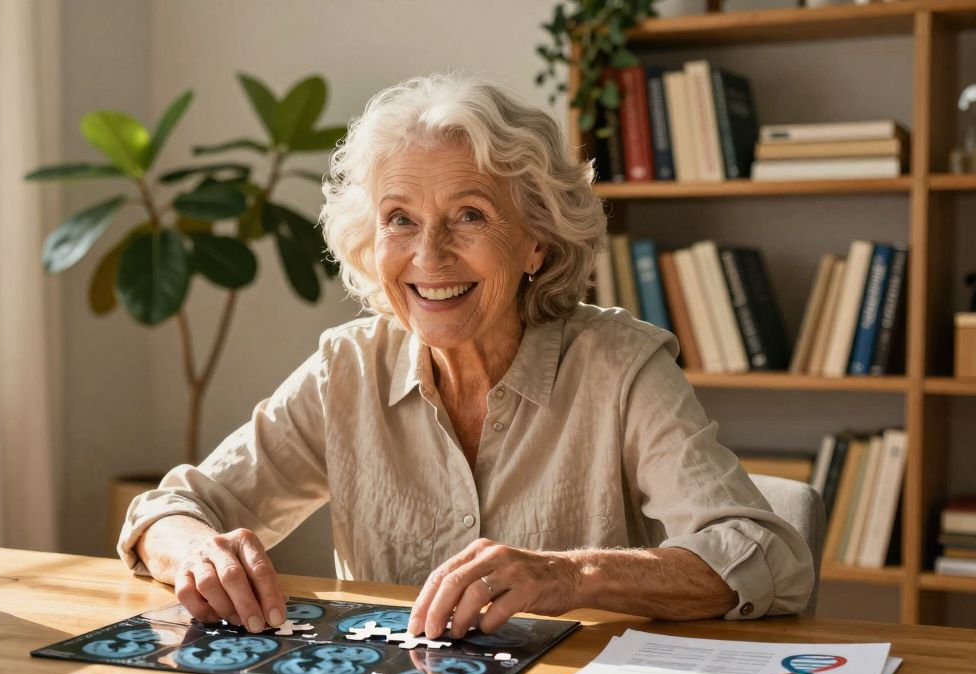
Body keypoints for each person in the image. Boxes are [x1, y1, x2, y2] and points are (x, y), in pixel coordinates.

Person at [117, 72, 814, 640]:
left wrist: (570, 577)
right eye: (400, 220)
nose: (429, 256)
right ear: (370, 241)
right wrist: (197, 550)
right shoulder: (348, 369)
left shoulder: (619, 366)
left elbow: (765, 555)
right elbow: (170, 509)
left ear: (536, 241)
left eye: (470, 215)